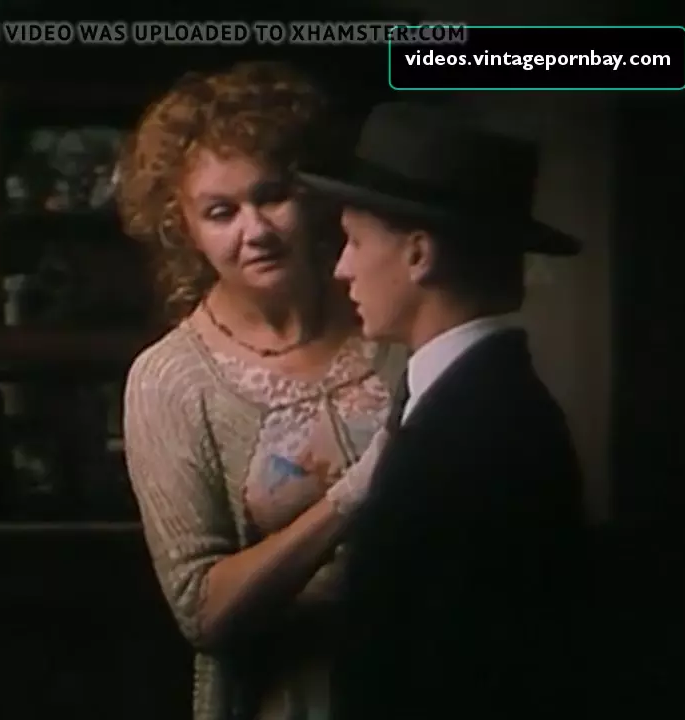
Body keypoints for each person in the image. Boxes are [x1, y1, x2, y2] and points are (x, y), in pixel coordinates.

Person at [118, 62, 404, 720]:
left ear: (312, 193)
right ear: (183, 227)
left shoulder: (390, 317)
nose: (256, 231)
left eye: (272, 195)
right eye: (221, 212)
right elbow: (202, 611)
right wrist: (348, 501)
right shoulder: (170, 378)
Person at [297, 102, 591, 720]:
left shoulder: (489, 430)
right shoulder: (457, 401)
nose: (341, 267)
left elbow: (467, 671)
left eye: (354, 240)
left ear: (418, 255)